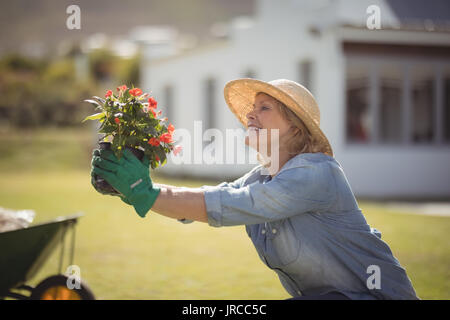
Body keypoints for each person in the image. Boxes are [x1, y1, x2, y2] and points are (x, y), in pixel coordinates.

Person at [91, 79, 419, 300]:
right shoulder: (262, 177)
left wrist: (144, 193)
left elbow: (228, 204)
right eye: (253, 108)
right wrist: (127, 188)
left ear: (294, 126)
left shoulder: (316, 174)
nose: (251, 113)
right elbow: (207, 202)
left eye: (265, 108)